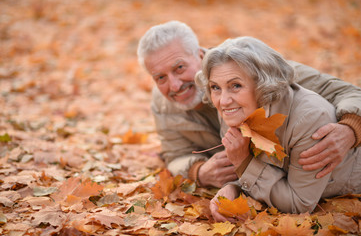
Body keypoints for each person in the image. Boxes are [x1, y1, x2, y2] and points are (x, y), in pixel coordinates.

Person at [137, 20, 361, 188]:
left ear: (199, 55)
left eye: (179, 68)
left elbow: (350, 92)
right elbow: (174, 155)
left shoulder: (252, 68)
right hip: (263, 184)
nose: (174, 85)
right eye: (160, 78)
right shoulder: (163, 105)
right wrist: (198, 171)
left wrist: (351, 129)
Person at [194, 36, 361, 217]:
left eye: (235, 86)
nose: (223, 101)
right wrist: (233, 188)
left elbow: (299, 203)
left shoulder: (309, 120)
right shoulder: (233, 112)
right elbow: (260, 171)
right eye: (215, 87)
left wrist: (244, 163)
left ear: (262, 85)